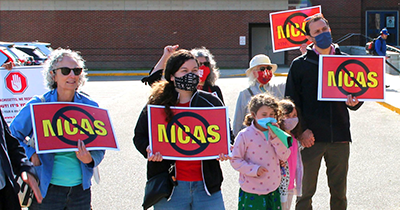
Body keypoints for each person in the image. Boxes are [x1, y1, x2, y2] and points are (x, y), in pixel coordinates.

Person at [133, 49, 230, 209]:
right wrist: (148, 149)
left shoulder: (211, 102)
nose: (190, 75)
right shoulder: (157, 104)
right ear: (172, 76)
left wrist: (226, 148)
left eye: (194, 70)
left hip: (207, 188)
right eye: (184, 71)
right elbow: (140, 136)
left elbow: (227, 134)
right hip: (170, 188)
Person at [9, 48, 105, 209]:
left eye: (77, 70)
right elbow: (12, 134)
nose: (72, 75)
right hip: (47, 190)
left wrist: (89, 159)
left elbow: (102, 145)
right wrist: (31, 154)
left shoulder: (90, 107)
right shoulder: (39, 105)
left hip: (80, 192)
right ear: (53, 74)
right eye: (66, 71)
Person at [284, 13, 362, 210]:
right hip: (310, 140)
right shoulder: (300, 65)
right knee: (305, 194)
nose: (322, 34)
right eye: (317, 32)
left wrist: (355, 103)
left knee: (339, 194)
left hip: (340, 138)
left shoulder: (347, 62)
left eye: (324, 29)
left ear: (330, 29)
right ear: (310, 38)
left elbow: (358, 95)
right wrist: (301, 132)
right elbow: (290, 103)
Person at [230, 93, 290, 210]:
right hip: (252, 189)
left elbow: (285, 155)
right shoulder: (244, 135)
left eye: (272, 114)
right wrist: (254, 170)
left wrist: (276, 138)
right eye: (264, 114)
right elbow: (235, 160)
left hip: (273, 188)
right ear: (253, 114)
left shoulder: (277, 133)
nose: (268, 117)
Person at [142, 45, 225, 102]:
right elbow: (153, 79)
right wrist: (166, 56)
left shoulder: (213, 91)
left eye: (206, 64)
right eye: (199, 64)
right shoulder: (169, 92)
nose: (202, 67)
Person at [233, 54, 286, 136]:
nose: (266, 71)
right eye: (262, 69)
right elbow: (238, 121)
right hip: (252, 138)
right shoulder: (245, 94)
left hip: (274, 137)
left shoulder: (278, 88)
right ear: (254, 73)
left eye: (268, 68)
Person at [278, 99, 303, 210]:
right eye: (288, 116)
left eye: (295, 115)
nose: (292, 119)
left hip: (290, 186)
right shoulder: (277, 137)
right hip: (279, 186)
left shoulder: (294, 138)